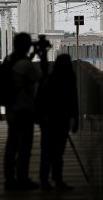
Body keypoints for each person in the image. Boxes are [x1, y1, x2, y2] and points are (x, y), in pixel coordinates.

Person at [4, 33, 41, 191]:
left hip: (11, 109)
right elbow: (39, 78)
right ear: (27, 46)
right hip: (24, 109)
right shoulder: (25, 65)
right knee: (25, 146)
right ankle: (22, 179)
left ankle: (9, 179)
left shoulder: (9, 60)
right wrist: (42, 58)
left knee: (12, 145)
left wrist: (30, 56)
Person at [38, 54, 79, 191]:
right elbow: (73, 101)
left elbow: (40, 99)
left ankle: (44, 181)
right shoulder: (69, 78)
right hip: (62, 120)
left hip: (48, 121)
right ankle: (58, 180)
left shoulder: (50, 78)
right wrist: (76, 119)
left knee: (46, 152)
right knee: (58, 153)